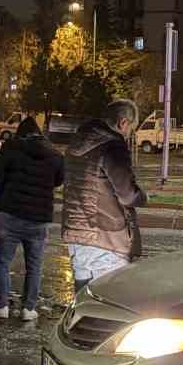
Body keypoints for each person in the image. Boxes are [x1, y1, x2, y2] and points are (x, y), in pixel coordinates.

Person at [62, 98, 148, 294]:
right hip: (106, 237)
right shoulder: (112, 146)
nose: (128, 135)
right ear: (123, 122)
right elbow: (128, 195)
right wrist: (143, 197)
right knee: (111, 302)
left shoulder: (77, 142)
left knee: (84, 299)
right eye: (130, 129)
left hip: (77, 236)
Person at [0, 115, 64, 321]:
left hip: (9, 214)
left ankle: (1, 306)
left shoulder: (10, 148)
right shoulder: (53, 153)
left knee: (2, 262)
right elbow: (59, 179)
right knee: (35, 265)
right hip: (39, 218)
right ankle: (29, 309)